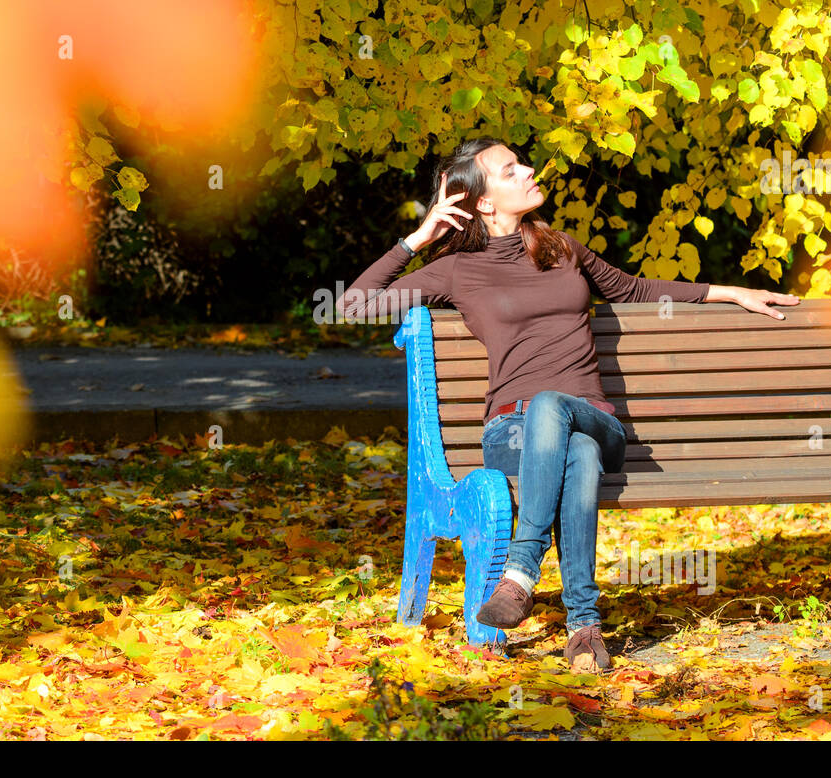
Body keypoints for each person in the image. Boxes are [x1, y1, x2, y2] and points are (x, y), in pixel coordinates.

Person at [336, 137, 799, 672]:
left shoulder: (560, 247)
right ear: (483, 202)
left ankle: (522, 568)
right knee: (574, 452)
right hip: (512, 431)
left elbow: (635, 289)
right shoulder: (457, 271)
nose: (529, 170)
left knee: (558, 409)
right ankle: (584, 627)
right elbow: (354, 306)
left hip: (597, 420)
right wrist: (419, 237)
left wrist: (729, 292)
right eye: (511, 170)